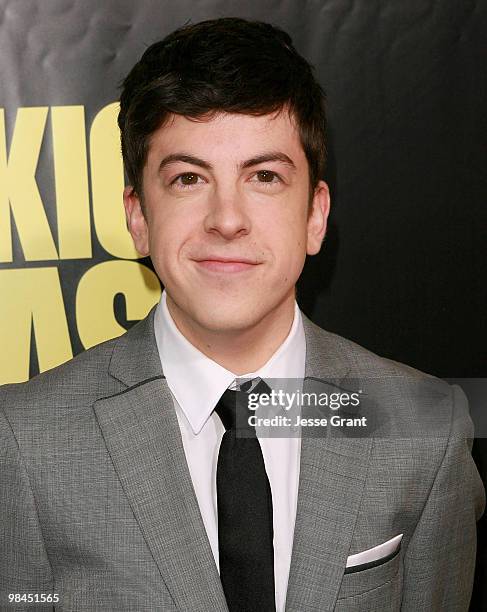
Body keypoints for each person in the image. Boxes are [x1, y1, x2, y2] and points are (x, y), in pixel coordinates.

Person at [0, 17, 484, 612]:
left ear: (315, 215)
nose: (227, 219)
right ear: (138, 217)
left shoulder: (423, 427)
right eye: (187, 178)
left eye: (264, 176)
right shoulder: (24, 438)